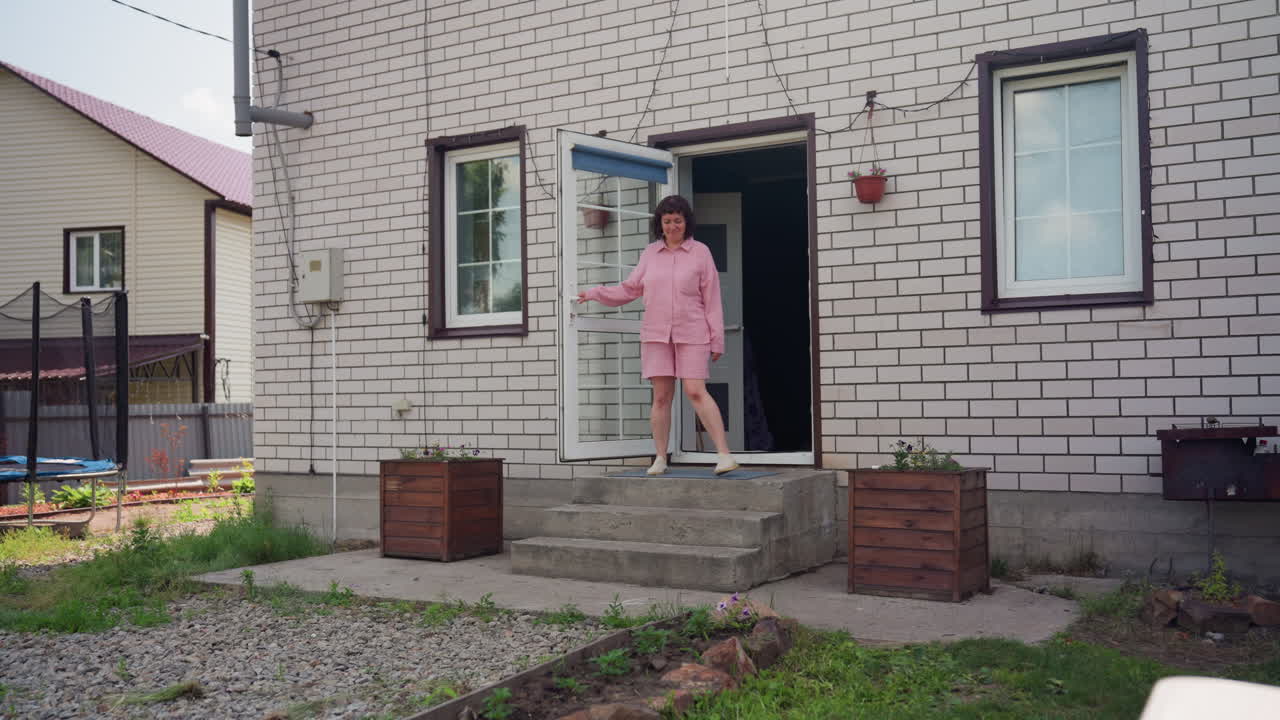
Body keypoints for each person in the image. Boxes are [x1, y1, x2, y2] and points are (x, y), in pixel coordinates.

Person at [577, 195, 739, 476]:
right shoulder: (650, 253)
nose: (673, 226)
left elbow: (712, 299)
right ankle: (661, 458)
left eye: (678, 220)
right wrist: (594, 293)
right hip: (656, 335)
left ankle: (724, 455)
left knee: (694, 391)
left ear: (686, 222)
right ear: (660, 224)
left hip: (692, 332)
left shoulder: (701, 252)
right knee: (661, 397)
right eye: (667, 221)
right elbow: (629, 289)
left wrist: (717, 339)